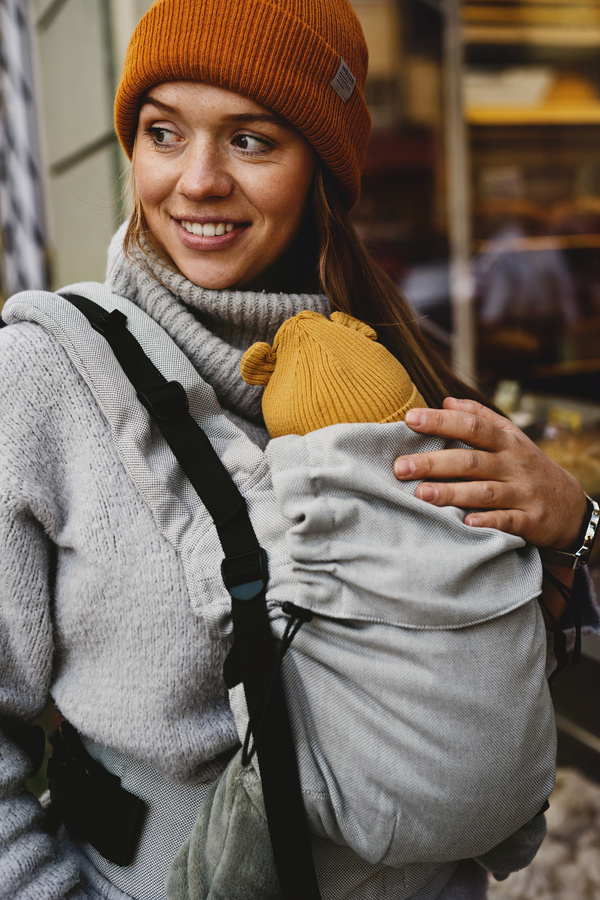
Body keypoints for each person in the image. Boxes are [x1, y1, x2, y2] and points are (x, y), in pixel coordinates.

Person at [0, 1, 597, 898]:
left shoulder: (396, 371)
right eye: (164, 132)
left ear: (321, 168)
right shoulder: (43, 379)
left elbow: (479, 673)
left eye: (251, 140)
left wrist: (573, 529)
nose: (197, 180)